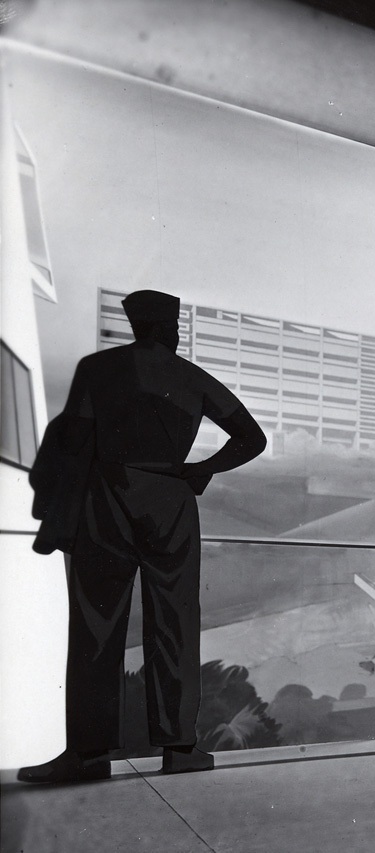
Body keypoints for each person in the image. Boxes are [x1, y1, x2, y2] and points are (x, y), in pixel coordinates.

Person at [19, 290, 267, 784]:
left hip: (106, 503)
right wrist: (200, 470)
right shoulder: (192, 378)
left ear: (136, 327)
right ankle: (180, 749)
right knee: (174, 624)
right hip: (170, 503)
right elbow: (252, 438)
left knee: (96, 628)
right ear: (170, 329)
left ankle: (88, 756)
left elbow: (75, 440)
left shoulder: (98, 368)